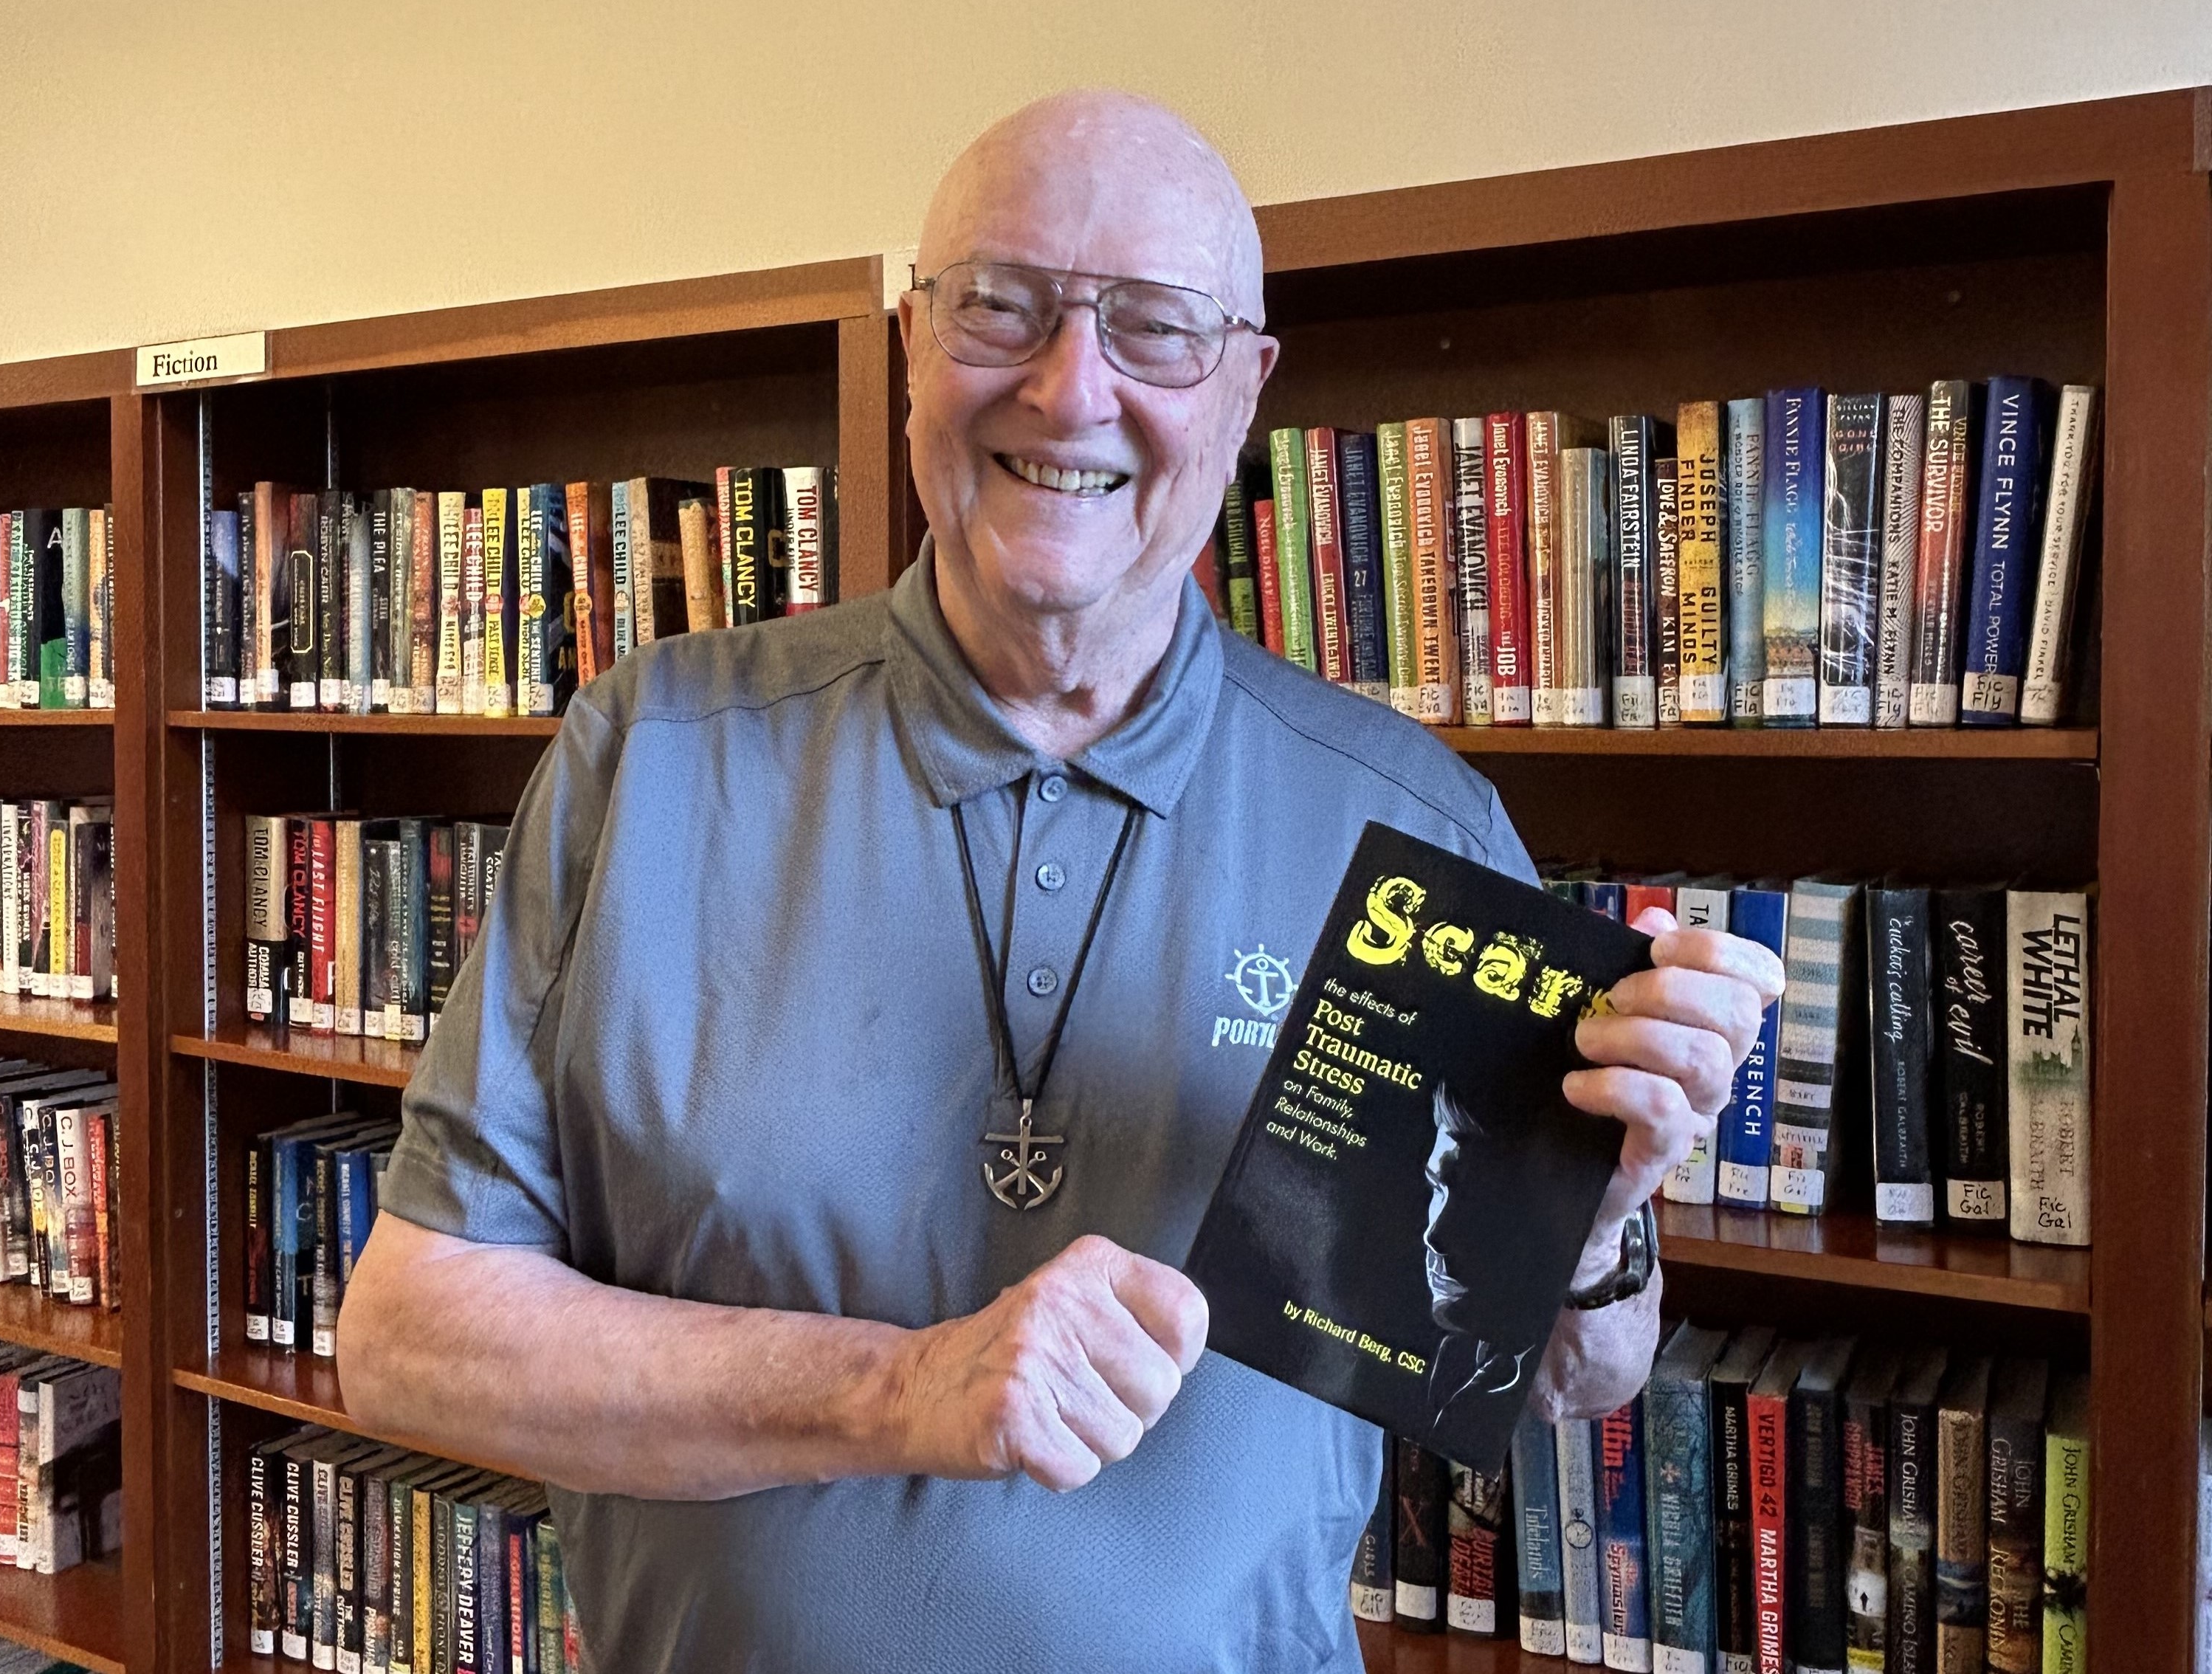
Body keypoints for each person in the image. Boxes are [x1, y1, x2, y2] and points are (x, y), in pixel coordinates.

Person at [337, 88, 1784, 1673]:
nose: (1068, 385)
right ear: (910, 350)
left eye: (1157, 329)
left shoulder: (1416, 831)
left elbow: (1567, 1380)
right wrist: (907, 1389)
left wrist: (1598, 1222)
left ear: (1246, 392)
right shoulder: (652, 754)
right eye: (1002, 307)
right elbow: (409, 1347)